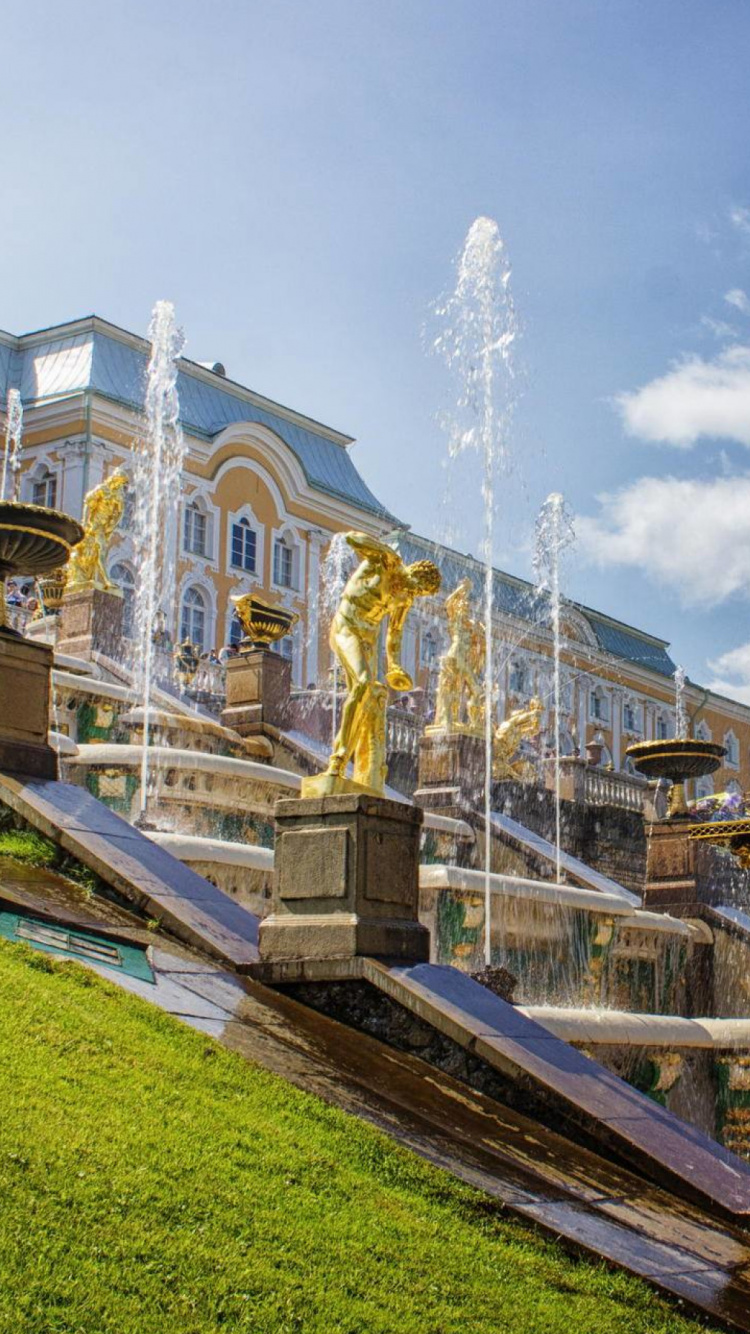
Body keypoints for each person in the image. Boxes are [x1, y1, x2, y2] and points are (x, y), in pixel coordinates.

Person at [318, 531, 441, 793]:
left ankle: (369, 774)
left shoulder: (403, 598)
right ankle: (337, 761)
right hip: (346, 627)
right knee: (362, 684)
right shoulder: (385, 562)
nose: (415, 593)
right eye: (417, 586)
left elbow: (394, 634)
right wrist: (377, 548)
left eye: (420, 593)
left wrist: (394, 666)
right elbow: (350, 538)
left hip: (368, 640)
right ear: (413, 572)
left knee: (373, 698)